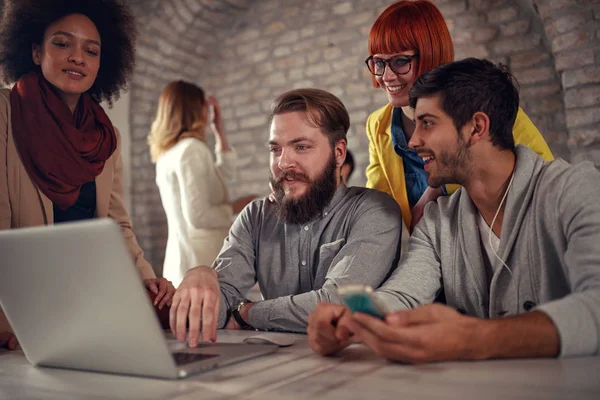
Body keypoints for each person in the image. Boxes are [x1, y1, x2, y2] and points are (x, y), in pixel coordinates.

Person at [307, 58, 600, 363]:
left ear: (477, 127)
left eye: (428, 123)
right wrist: (351, 320)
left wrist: (474, 338)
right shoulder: (437, 222)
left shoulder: (575, 190)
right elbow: (404, 294)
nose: (413, 140)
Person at [0, 0, 174, 349]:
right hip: (19, 315)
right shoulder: (5, 112)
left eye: (91, 51)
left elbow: (116, 225)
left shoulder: (105, 137)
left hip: (84, 306)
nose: (78, 57)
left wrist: (149, 283)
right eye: (62, 43)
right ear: (35, 52)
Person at [168, 88, 403, 347]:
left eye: (301, 147)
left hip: (356, 367)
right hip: (275, 370)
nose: (283, 162)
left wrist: (247, 312)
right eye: (275, 149)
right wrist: (203, 275)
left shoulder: (374, 212)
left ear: (338, 153)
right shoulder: (255, 217)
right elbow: (220, 306)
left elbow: (337, 303)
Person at [364, 0, 553, 232]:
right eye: (379, 63)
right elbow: (379, 201)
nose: (387, 76)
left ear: (431, 54)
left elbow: (542, 172)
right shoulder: (378, 124)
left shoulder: (486, 101)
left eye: (401, 61)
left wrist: (438, 190)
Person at [148, 81, 255, 287]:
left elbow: (225, 173)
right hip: (200, 263)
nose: (207, 111)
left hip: (182, 261)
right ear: (194, 109)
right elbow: (199, 216)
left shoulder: (167, 155)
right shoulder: (192, 150)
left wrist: (219, 131)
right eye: (203, 105)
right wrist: (234, 208)